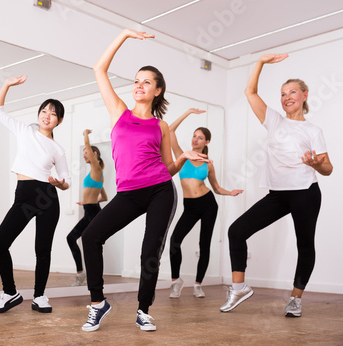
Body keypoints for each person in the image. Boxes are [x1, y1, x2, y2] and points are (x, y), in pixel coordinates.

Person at [81, 29, 210, 332]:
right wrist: (123, 35)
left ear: (157, 91)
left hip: (159, 190)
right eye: (136, 81)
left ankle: (143, 309)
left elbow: (167, 167)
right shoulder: (119, 112)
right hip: (127, 193)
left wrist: (184, 158)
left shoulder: (161, 125)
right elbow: (99, 69)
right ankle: (98, 303)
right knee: (90, 237)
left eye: (146, 82)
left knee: (149, 249)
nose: (139, 86)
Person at [220, 54, 333, 317]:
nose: (286, 97)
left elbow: (328, 169)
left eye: (292, 92)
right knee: (237, 231)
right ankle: (239, 288)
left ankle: (296, 298)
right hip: (278, 195)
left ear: (305, 95)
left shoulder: (313, 130)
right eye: (282, 94)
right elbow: (250, 91)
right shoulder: (274, 120)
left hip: (306, 193)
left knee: (305, 245)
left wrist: (316, 164)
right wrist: (260, 62)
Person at [0, 76, 71, 315]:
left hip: (46, 196)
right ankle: (10, 292)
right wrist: (7, 85)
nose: (47, 115)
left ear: (60, 120)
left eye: (53, 113)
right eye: (44, 111)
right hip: (24, 195)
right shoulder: (25, 131)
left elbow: (67, 179)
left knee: (42, 250)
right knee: (0, 242)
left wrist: (61, 184)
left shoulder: (58, 149)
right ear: (39, 114)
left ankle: (39, 296)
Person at [168, 109, 243, 299]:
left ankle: (198, 285)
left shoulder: (208, 163)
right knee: (175, 240)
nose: (195, 140)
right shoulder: (182, 155)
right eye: (194, 136)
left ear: (206, 142)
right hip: (190, 207)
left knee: (205, 244)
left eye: (200, 138)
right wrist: (188, 113)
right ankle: (176, 281)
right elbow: (169, 131)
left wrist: (230, 192)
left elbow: (216, 188)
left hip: (208, 204)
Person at [67, 129, 108, 287]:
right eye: (84, 153)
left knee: (79, 240)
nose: (85, 155)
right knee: (80, 241)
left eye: (87, 152)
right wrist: (87, 201)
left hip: (92, 213)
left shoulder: (97, 169)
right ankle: (85, 275)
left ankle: (84, 275)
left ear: (94, 154)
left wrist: (85, 134)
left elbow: (102, 197)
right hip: (91, 210)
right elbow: (104, 197)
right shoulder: (97, 173)